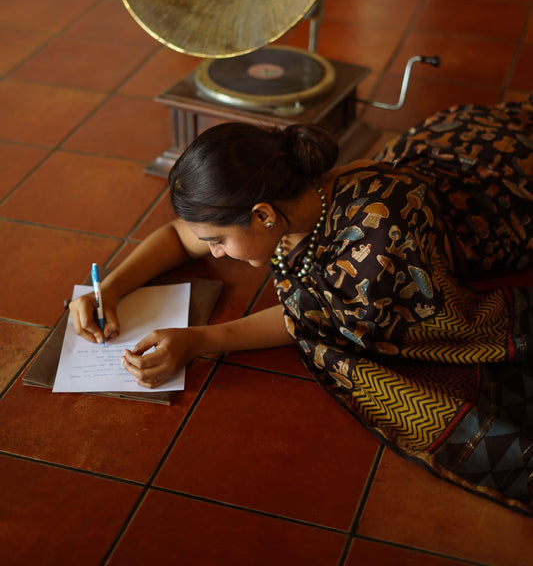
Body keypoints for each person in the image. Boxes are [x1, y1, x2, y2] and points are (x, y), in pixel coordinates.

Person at [69, 95, 533, 515]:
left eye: (218, 241)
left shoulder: (374, 247)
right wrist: (108, 289)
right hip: (448, 146)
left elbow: (317, 318)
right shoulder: (288, 195)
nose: (214, 253)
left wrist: (199, 341)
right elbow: (178, 236)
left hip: (504, 185)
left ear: (263, 215)